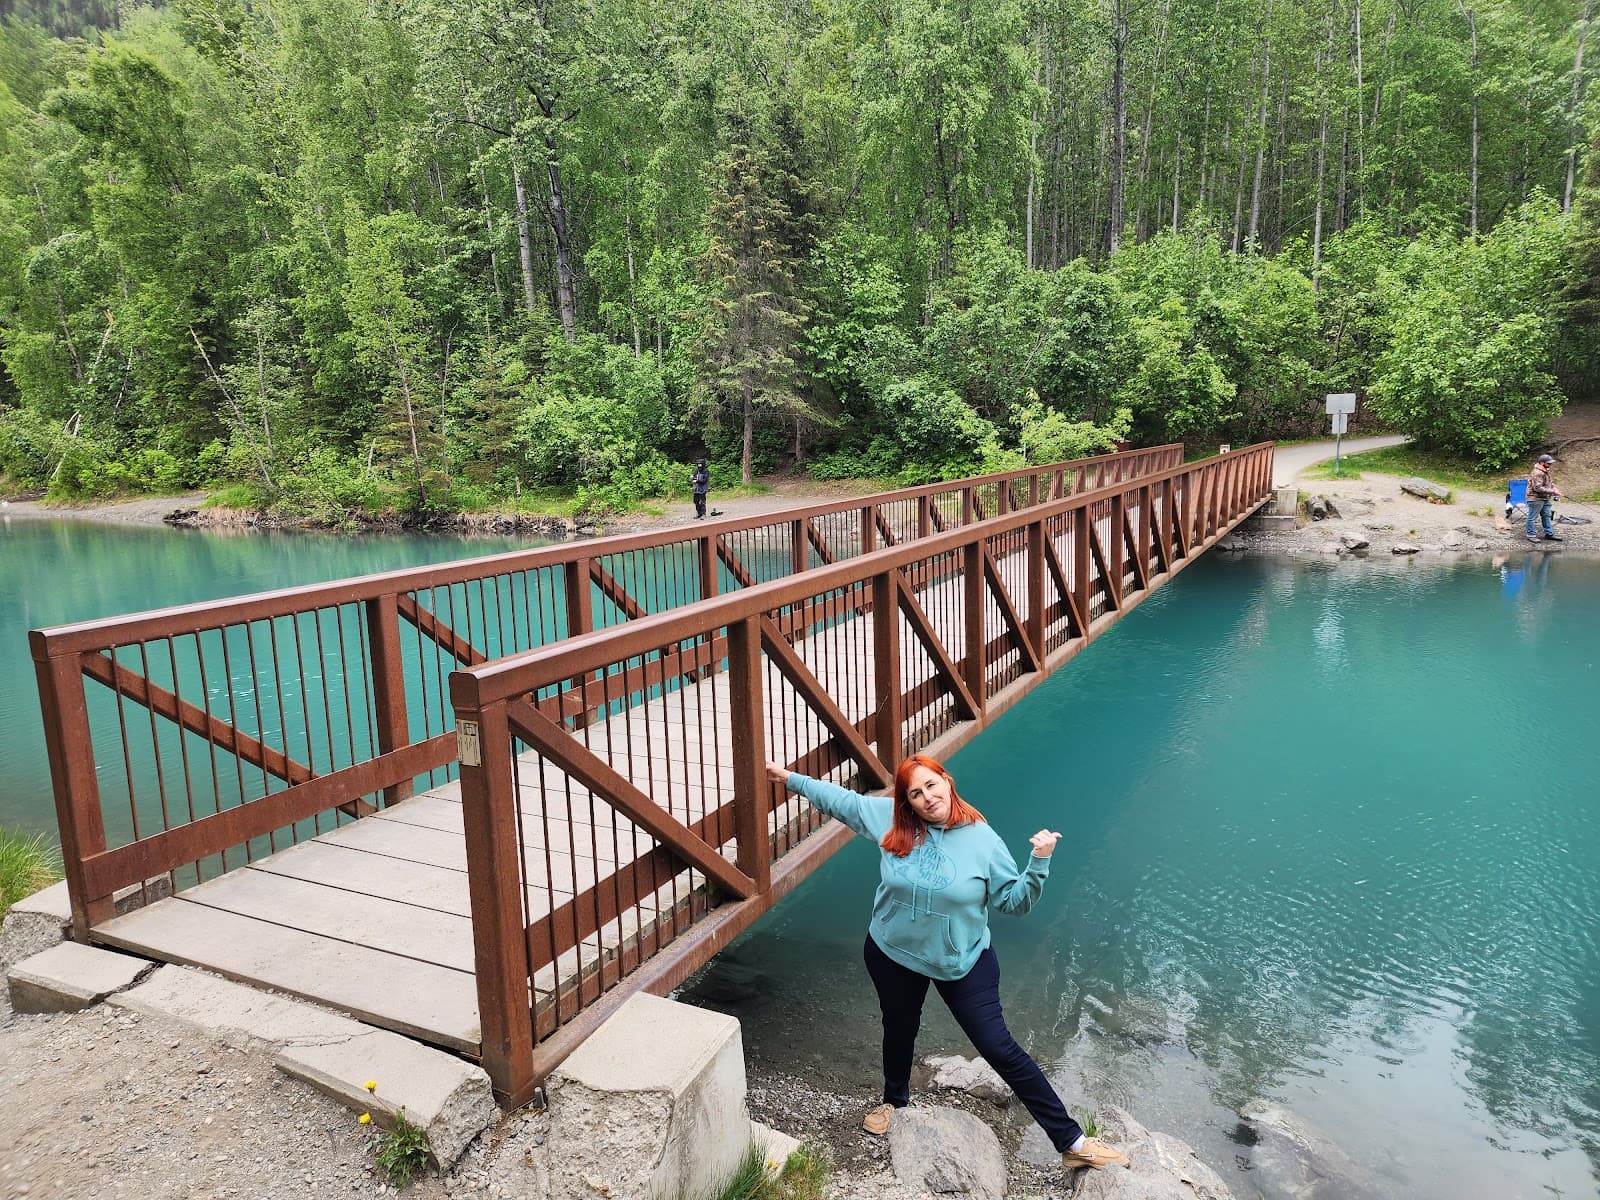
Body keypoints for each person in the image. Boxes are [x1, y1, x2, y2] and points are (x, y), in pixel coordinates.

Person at [763, 754, 1132, 1174]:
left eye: (931, 786)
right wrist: (788, 777)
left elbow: (1014, 903)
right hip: (892, 953)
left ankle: (1071, 1140)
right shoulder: (892, 820)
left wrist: (1039, 865)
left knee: (999, 1047)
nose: (926, 798)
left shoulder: (982, 840)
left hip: (962, 960)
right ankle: (895, 1102)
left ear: (947, 782)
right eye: (915, 794)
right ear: (907, 801)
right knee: (899, 1028)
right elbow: (839, 801)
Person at [1526, 453, 1561, 544]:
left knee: (1546, 516)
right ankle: (1531, 535)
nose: (1550, 464)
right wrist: (1553, 492)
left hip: (1545, 498)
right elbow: (1537, 488)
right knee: (1531, 518)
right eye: (1548, 463)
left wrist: (1554, 487)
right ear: (1542, 462)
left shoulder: (1545, 470)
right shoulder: (1537, 472)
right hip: (1535, 498)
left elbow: (1548, 483)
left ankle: (1549, 534)